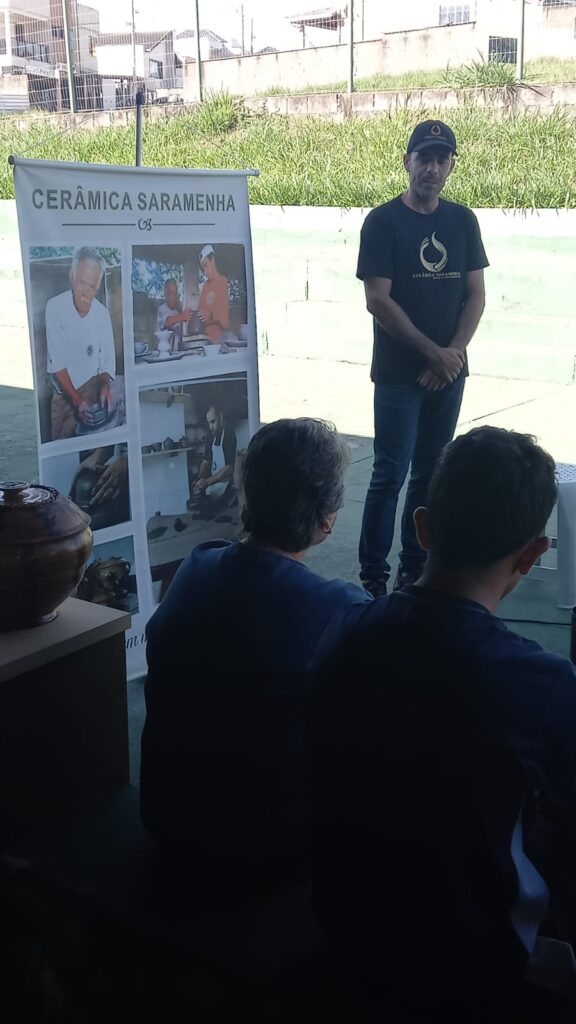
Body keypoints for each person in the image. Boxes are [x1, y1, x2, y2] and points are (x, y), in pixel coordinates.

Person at [308, 426, 576, 1022]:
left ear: (422, 528)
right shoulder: (544, 688)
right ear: (533, 555)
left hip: (347, 936)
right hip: (476, 976)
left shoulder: (343, 629)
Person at [140, 418, 370, 902]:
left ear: (247, 494)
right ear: (326, 520)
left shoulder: (197, 564)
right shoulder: (340, 610)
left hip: (168, 820)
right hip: (268, 852)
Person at [357, 119, 488, 597]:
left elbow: (476, 295)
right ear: (407, 162)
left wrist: (452, 355)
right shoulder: (382, 222)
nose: (432, 168)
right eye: (424, 158)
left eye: (441, 159)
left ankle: (413, 568)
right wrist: (433, 354)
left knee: (431, 474)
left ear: (451, 166)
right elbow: (378, 300)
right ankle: (373, 575)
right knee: (389, 473)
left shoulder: (462, 221)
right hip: (399, 375)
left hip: (448, 373)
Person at [46, 247, 118, 441]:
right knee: (62, 448)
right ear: (72, 276)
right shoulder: (54, 307)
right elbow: (57, 365)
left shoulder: (102, 314)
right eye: (82, 283)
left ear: (99, 285)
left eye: (92, 286)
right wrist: (77, 400)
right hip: (64, 395)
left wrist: (104, 387)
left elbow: (106, 362)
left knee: (101, 443)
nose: (86, 292)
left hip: (93, 388)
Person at [187, 404, 237, 517]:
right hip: (214, 481)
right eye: (209, 423)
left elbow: (229, 468)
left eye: (213, 422)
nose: (210, 427)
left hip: (227, 483)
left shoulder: (228, 434)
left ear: (221, 417)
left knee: (215, 510)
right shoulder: (210, 436)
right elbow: (206, 461)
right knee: (198, 503)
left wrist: (207, 482)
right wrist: (200, 478)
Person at [197, 244, 229, 345]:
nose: (205, 271)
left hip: (220, 339)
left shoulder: (222, 282)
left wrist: (210, 315)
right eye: (203, 269)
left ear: (213, 260)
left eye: (206, 266)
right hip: (206, 339)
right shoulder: (205, 286)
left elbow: (224, 319)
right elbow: (200, 310)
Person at [156, 279, 192, 351]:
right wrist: (181, 316)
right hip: (164, 351)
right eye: (171, 293)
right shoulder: (161, 309)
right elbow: (166, 322)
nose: (174, 297)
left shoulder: (178, 310)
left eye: (176, 293)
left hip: (178, 349)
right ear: (165, 294)